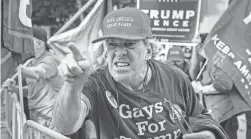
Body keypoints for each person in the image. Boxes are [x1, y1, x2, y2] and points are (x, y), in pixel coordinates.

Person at [52, 8, 228, 139]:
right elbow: (64, 127)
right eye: (112, 44)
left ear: (149, 50)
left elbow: (200, 116)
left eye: (129, 44)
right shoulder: (95, 83)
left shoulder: (175, 77)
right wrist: (72, 86)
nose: (119, 52)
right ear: (105, 51)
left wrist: (207, 134)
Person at [3, 26, 64, 129]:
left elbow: (38, 73)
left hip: (51, 121)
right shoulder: (32, 62)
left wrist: (17, 66)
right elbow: (33, 90)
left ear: (40, 43)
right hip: (37, 120)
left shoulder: (51, 60)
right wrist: (15, 89)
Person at [192, 62, 251, 139]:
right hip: (223, 117)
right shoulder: (207, 62)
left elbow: (224, 84)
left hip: (234, 115)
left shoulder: (217, 60)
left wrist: (201, 89)